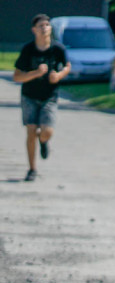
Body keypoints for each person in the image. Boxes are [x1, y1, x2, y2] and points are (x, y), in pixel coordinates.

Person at [13, 14, 71, 182]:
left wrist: (58, 76)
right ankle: (32, 169)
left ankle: (44, 142)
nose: (44, 27)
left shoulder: (58, 49)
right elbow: (17, 76)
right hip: (29, 96)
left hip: (49, 96)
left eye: (47, 25)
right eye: (41, 25)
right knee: (30, 131)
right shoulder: (28, 50)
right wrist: (35, 73)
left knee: (46, 132)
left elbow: (67, 67)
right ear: (34, 30)